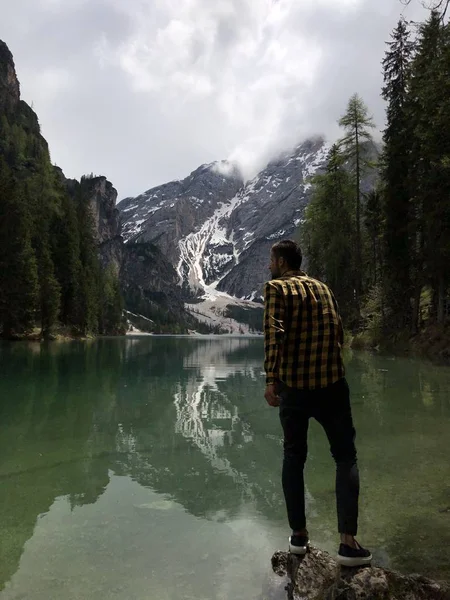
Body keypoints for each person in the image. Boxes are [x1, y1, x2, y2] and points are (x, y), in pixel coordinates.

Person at [263, 239, 371, 567]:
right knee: (345, 457)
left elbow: (273, 334)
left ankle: (298, 538)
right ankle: (348, 543)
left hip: (294, 388)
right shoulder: (325, 289)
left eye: (271, 260)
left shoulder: (276, 289)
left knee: (294, 456)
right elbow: (339, 331)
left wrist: (271, 379)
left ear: (281, 262)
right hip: (332, 385)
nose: (269, 266)